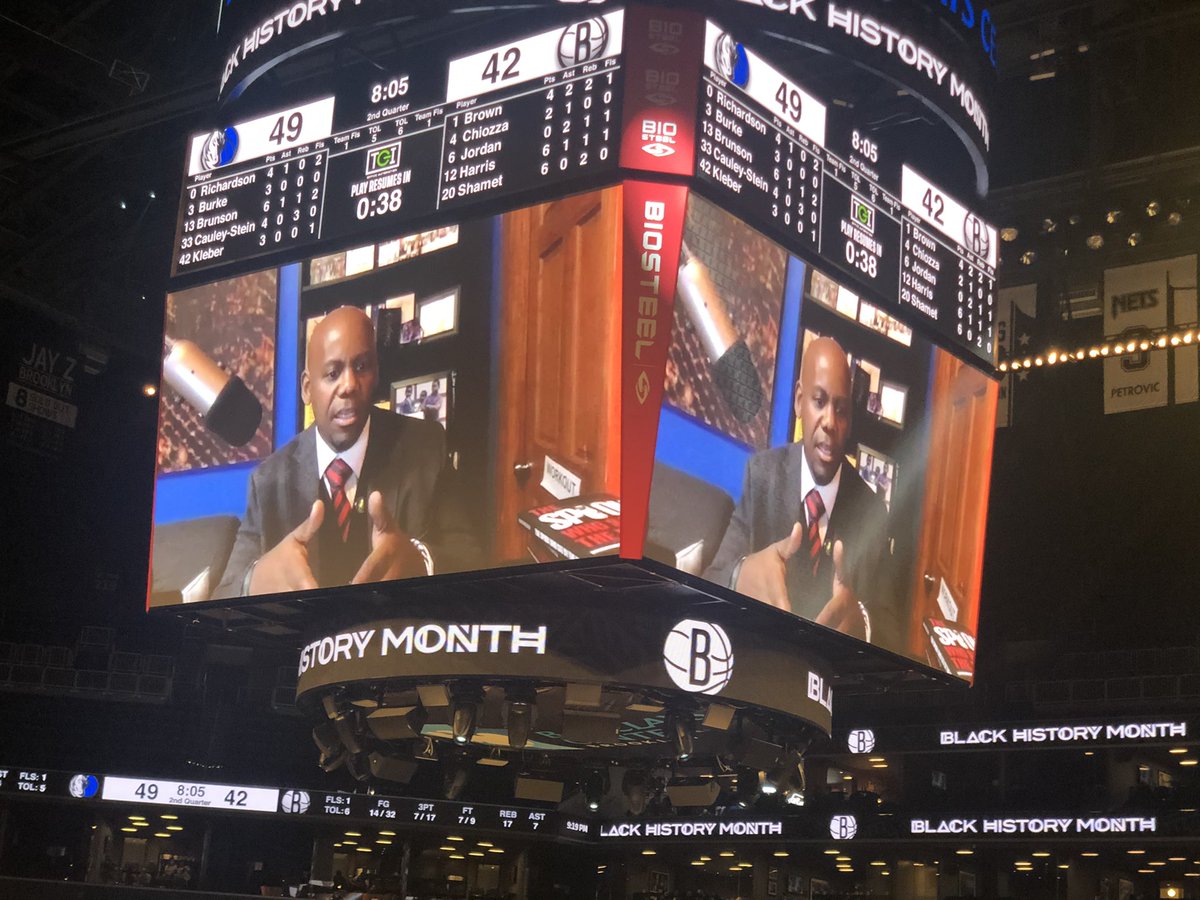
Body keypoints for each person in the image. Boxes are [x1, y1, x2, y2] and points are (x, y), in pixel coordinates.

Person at [215, 306, 472, 597]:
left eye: (361, 367)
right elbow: (224, 592)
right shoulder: (268, 481)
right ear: (307, 388)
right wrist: (255, 580)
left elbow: (473, 559)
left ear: (375, 374)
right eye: (333, 373)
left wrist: (420, 561)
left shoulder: (425, 446)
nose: (349, 385)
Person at [704, 336, 893, 646]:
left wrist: (862, 624)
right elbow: (713, 577)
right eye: (819, 402)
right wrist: (741, 575)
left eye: (842, 410)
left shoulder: (871, 511)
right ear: (798, 401)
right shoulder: (761, 475)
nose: (829, 422)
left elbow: (891, 624)